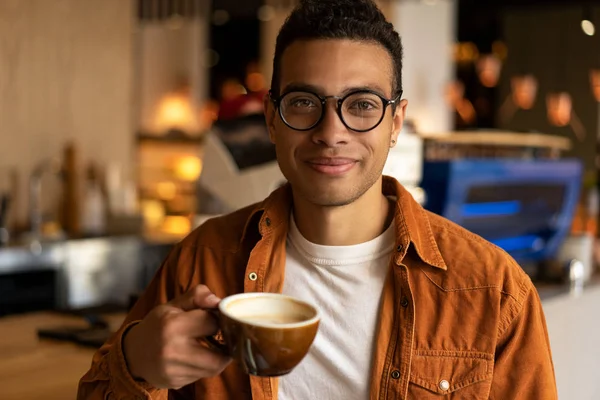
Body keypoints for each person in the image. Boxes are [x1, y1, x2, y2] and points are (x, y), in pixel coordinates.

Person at [78, 0, 557, 399]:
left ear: (396, 123)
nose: (332, 133)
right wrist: (137, 362)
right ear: (271, 118)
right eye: (305, 102)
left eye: (362, 105)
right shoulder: (202, 260)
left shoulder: (495, 293)